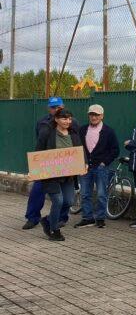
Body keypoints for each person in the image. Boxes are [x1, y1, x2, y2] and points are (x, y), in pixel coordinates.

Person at [24, 96, 79, 230]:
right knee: (37, 191)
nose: (56, 109)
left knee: (66, 198)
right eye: (53, 107)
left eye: (58, 107)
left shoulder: (72, 122)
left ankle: (60, 218)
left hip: (66, 167)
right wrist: (36, 166)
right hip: (47, 166)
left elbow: (77, 142)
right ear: (49, 108)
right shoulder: (42, 122)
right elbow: (40, 143)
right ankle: (32, 218)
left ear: (63, 106)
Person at [35, 109, 83, 241]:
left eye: (69, 119)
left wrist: (83, 164)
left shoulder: (73, 133)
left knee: (69, 201)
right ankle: (54, 230)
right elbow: (38, 152)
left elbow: (79, 151)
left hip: (68, 175)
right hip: (51, 175)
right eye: (64, 118)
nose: (68, 121)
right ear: (56, 119)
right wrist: (35, 171)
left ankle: (48, 220)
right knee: (58, 200)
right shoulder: (47, 133)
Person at [74, 104, 119, 229]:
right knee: (85, 194)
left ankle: (100, 218)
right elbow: (77, 147)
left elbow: (115, 150)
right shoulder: (82, 130)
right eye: (91, 115)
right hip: (85, 167)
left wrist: (104, 162)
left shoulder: (109, 131)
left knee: (101, 194)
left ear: (102, 116)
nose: (94, 117)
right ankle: (87, 218)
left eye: (96, 115)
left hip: (101, 167)